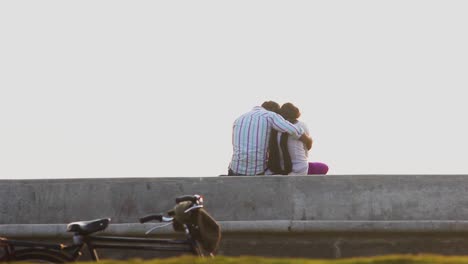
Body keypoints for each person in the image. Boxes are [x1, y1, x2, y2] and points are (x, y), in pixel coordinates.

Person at [228, 101, 312, 176]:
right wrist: (308, 140)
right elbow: (294, 130)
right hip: (255, 172)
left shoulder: (239, 118)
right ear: (273, 109)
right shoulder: (270, 115)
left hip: (234, 170)